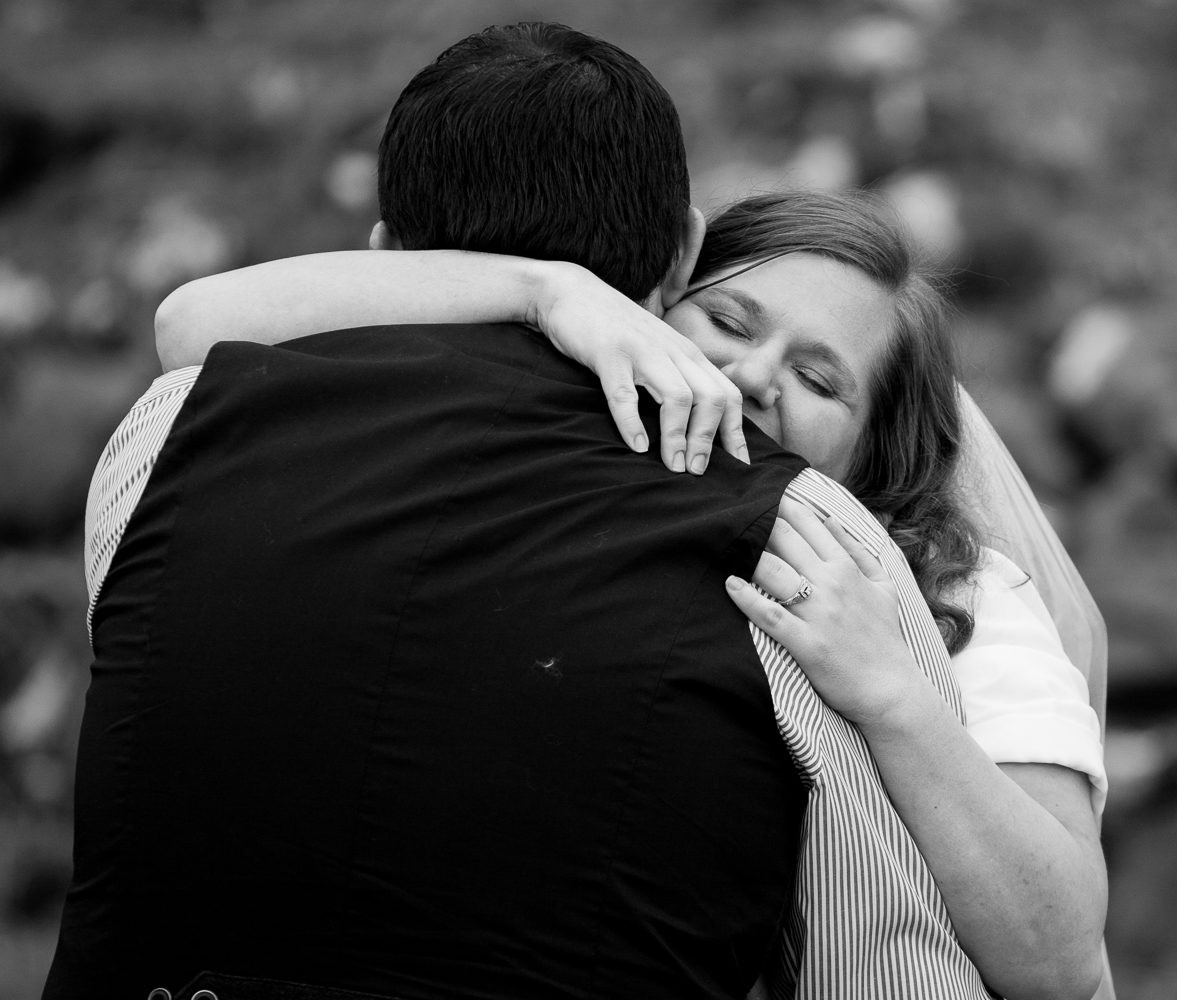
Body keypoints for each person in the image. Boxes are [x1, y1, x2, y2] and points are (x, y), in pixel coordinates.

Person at [53, 21, 1103, 1000]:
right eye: (730, 320)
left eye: (822, 380)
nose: (749, 378)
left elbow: (1061, 965)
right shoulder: (752, 527)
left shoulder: (866, 574)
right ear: (675, 268)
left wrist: (898, 695)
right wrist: (545, 288)